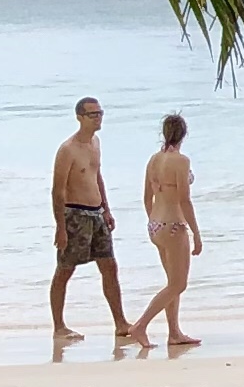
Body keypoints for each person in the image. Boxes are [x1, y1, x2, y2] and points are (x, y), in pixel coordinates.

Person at [47, 96, 130, 360]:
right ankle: (59, 327)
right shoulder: (67, 149)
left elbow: (97, 175)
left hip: (96, 214)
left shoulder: (95, 143)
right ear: (79, 117)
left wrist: (107, 208)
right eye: (93, 114)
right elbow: (57, 191)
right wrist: (60, 227)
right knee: (65, 270)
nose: (98, 118)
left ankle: (121, 323)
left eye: (100, 113)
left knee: (109, 267)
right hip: (74, 215)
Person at [130, 114, 204, 355]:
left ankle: (174, 332)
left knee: (171, 282)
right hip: (174, 225)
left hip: (155, 224)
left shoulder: (154, 159)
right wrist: (196, 232)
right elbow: (184, 200)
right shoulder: (180, 161)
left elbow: (146, 197)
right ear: (184, 134)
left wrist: (153, 221)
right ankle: (140, 325)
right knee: (178, 284)